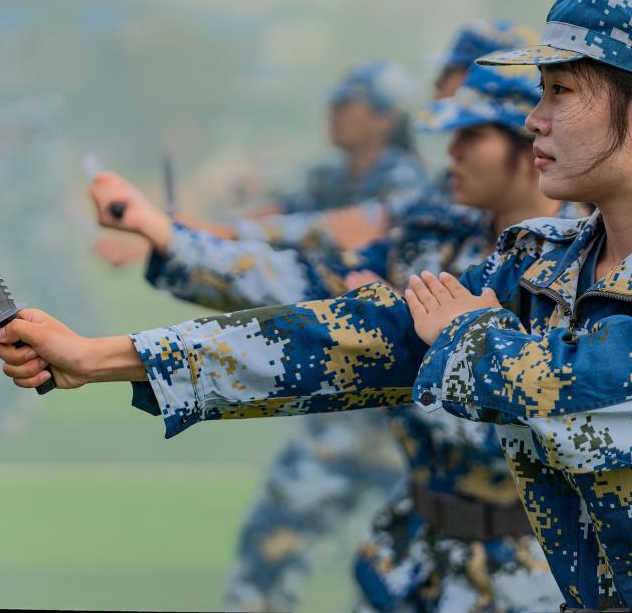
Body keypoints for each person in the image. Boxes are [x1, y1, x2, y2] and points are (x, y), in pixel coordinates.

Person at [0, 0, 632, 610]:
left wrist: (469, 335)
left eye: (560, 92)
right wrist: (99, 357)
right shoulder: (541, 263)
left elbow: (581, 390)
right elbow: (352, 338)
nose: (534, 118)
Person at [92, 59, 572, 612]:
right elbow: (301, 279)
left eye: (474, 135)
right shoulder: (431, 241)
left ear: (530, 138)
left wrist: (416, 338)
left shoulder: (589, 263)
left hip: (534, 572)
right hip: (416, 555)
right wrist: (165, 237)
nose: (452, 152)